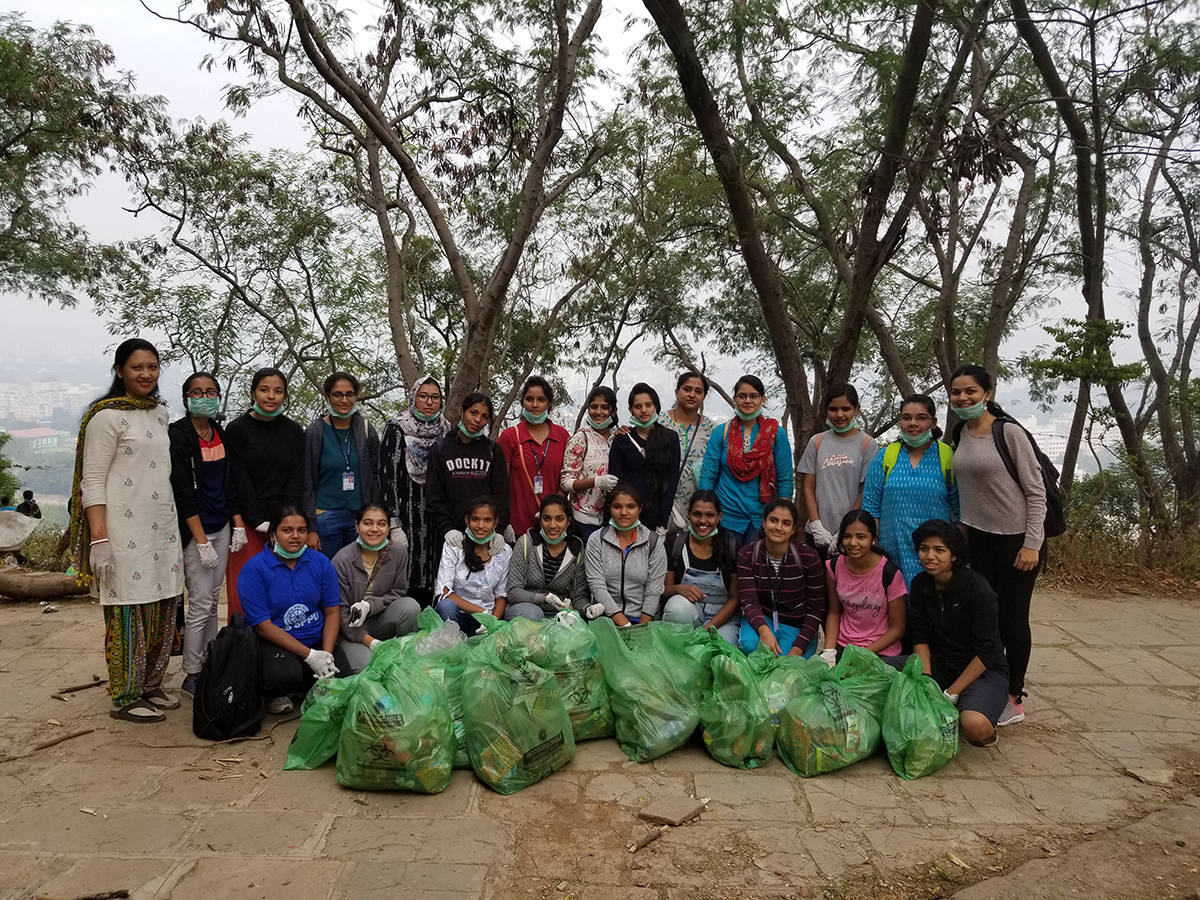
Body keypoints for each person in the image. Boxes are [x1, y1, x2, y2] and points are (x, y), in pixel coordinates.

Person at [67, 338, 185, 722]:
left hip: (161, 529)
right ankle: (125, 695)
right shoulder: (105, 417)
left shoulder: (159, 412)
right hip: (121, 530)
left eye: (152, 367)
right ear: (119, 371)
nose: (146, 374)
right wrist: (99, 537)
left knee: (163, 605)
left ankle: (151, 684)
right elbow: (92, 480)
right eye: (137, 367)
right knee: (128, 610)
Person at [948, 364, 1047, 727]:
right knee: (983, 616)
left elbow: (1036, 492)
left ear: (987, 394)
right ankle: (988, 682)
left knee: (1012, 619)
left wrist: (1032, 544)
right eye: (956, 392)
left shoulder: (1009, 433)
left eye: (970, 391)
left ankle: (1014, 697)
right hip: (978, 540)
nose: (963, 398)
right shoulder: (960, 433)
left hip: (1015, 541)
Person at [169, 372, 248, 698]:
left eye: (211, 392)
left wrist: (238, 524)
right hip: (196, 532)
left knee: (214, 601)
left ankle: (210, 664)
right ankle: (192, 673)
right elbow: (183, 492)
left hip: (222, 526)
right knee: (200, 604)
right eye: (197, 392)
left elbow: (229, 483)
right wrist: (201, 541)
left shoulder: (218, 433)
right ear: (186, 397)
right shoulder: (179, 436)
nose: (205, 397)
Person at [907, 519, 1009, 747]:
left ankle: (976, 707)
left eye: (939, 550)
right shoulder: (920, 583)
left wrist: (950, 694)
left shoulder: (978, 589)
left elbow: (987, 652)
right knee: (881, 672)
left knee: (975, 725)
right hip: (942, 663)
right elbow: (920, 636)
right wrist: (926, 681)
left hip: (984, 670)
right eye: (924, 549)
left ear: (954, 555)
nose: (930, 556)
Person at [238, 505, 348, 714]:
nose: (295, 536)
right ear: (272, 534)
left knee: (343, 675)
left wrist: (325, 654)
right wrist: (310, 657)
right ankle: (277, 692)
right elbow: (262, 626)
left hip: (316, 639)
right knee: (283, 676)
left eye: (301, 530)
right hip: (275, 642)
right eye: (287, 530)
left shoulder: (320, 562)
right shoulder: (254, 569)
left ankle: (307, 684)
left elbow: (332, 612)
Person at [224, 367, 305, 617]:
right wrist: (255, 520)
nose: (271, 396)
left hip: (284, 524)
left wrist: (285, 521)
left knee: (283, 590)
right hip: (247, 524)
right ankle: (242, 639)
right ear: (253, 393)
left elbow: (296, 477)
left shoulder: (293, 431)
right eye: (264, 390)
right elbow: (237, 478)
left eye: (278, 391)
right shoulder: (237, 429)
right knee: (245, 591)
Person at [860, 394, 959, 587]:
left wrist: (957, 555)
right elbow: (870, 507)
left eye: (921, 418)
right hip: (892, 553)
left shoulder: (947, 457)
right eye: (906, 418)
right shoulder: (885, 457)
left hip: (934, 556)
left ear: (933, 423)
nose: (913, 423)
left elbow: (960, 511)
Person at [379, 376, 452, 608]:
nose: (429, 402)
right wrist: (392, 521)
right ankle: (404, 617)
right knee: (407, 568)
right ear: (413, 397)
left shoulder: (447, 430)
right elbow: (387, 475)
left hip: (436, 514)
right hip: (406, 513)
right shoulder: (397, 428)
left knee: (435, 569)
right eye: (423, 396)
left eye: (435, 397)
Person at [698, 375, 794, 542]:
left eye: (753, 396)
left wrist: (782, 516)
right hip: (725, 516)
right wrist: (705, 512)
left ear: (763, 399)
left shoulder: (776, 434)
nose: (747, 400)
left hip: (762, 518)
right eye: (742, 396)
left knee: (757, 558)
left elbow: (784, 478)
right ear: (735, 399)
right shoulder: (722, 432)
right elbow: (708, 474)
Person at [331, 503, 421, 674]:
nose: (374, 529)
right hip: (348, 630)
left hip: (378, 619)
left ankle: (406, 652)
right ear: (357, 526)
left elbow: (398, 593)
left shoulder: (398, 552)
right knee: (370, 667)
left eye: (381, 524)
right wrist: (371, 643)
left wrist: (369, 605)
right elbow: (338, 613)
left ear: (388, 528)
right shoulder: (341, 560)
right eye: (367, 523)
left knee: (410, 607)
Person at [302, 371, 381, 561]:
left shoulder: (366, 429)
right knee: (327, 571)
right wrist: (310, 527)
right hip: (325, 517)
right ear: (327, 397)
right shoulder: (315, 432)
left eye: (349, 394)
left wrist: (374, 516)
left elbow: (376, 475)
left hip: (359, 517)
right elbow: (306, 480)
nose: (344, 400)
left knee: (357, 571)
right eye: (338, 394)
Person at [736, 498, 826, 656]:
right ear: (764, 522)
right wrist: (763, 630)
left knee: (786, 661)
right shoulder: (747, 554)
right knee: (750, 645)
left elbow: (816, 609)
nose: (778, 527)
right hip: (764, 618)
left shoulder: (808, 557)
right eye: (773, 520)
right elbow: (749, 601)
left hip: (796, 625)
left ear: (793, 529)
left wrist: (798, 648)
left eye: (786, 523)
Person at [799, 383, 878, 556]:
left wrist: (845, 529)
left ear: (856, 409)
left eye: (846, 409)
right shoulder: (817, 442)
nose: (839, 414)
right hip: (817, 533)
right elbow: (808, 486)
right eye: (833, 409)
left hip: (851, 536)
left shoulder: (867, 444)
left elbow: (866, 490)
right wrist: (816, 525)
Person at [822, 510, 906, 662]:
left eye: (861, 537)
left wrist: (861, 655)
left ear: (873, 539)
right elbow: (834, 613)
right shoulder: (833, 567)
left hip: (880, 651)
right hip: (844, 647)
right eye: (847, 536)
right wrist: (829, 651)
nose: (853, 543)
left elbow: (897, 628)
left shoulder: (889, 573)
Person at [660, 490, 741, 644]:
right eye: (697, 514)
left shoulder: (732, 547)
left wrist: (706, 630)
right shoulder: (675, 545)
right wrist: (679, 589)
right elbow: (663, 591)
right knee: (677, 608)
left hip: (723, 618)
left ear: (719, 517)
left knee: (722, 649)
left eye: (710, 515)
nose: (703, 521)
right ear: (688, 514)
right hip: (690, 613)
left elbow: (735, 599)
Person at [581, 483, 668, 625]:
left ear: (640, 508)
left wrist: (641, 629)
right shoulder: (597, 540)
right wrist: (625, 625)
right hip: (606, 620)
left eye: (631, 507)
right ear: (609, 508)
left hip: (644, 621)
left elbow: (654, 590)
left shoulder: (653, 542)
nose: (624, 512)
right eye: (617, 507)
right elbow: (597, 585)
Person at [426, 392, 509, 540]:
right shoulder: (440, 448)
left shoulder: (492, 450)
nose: (478, 420)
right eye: (473, 413)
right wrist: (447, 529)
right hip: (449, 536)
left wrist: (499, 529)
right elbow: (434, 495)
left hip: (485, 536)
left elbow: (501, 496)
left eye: (484, 417)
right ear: (461, 411)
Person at [498, 376, 571, 538]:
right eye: (529, 399)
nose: (535, 405)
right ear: (523, 402)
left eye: (541, 400)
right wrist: (503, 522)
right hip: (517, 526)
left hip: (554, 526)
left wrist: (554, 508)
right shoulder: (510, 437)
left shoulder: (562, 435)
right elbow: (501, 484)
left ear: (549, 404)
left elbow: (568, 477)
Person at [608, 383, 681, 533]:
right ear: (630, 410)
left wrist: (662, 523)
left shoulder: (670, 438)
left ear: (656, 406)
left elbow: (672, 482)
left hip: (656, 517)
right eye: (638, 406)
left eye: (648, 405)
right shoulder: (622, 440)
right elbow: (614, 484)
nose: (643, 410)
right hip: (626, 515)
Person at [434, 498, 512, 636]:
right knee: (446, 606)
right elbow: (444, 592)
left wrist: (492, 621)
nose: (481, 525)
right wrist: (482, 611)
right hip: (457, 615)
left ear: (495, 522)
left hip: (485, 620)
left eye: (487, 520)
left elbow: (501, 595)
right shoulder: (454, 546)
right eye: (475, 519)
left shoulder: (504, 551)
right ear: (467, 520)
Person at [505, 494, 588, 621]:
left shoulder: (576, 549)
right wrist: (545, 598)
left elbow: (579, 597)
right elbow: (513, 592)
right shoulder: (526, 543)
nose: (552, 525)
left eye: (559, 519)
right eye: (547, 519)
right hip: (525, 610)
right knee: (534, 614)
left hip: (558, 613)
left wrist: (588, 608)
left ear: (568, 521)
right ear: (540, 520)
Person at [658, 372, 716, 531]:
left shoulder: (713, 429)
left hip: (695, 507)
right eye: (687, 389)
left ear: (704, 396)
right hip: (659, 501)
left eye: (698, 391)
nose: (692, 395)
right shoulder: (658, 421)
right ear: (677, 392)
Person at [560, 386, 619, 544]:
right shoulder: (580, 439)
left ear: (614, 410)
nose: (598, 412)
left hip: (614, 520)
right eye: (594, 407)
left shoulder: (619, 438)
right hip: (584, 521)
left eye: (604, 407)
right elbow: (566, 482)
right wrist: (596, 481)